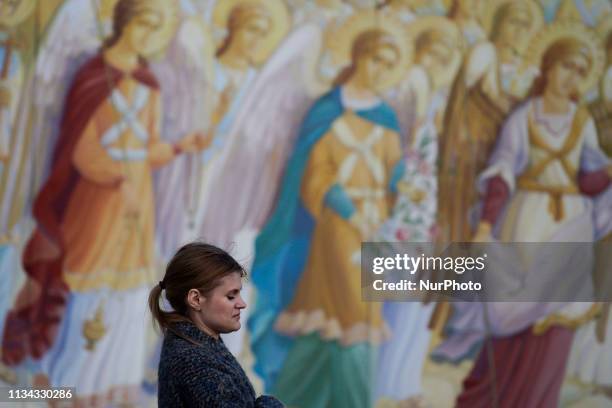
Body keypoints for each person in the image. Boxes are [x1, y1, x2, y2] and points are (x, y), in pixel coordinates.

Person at [149, 242, 284, 408]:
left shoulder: (199, 345)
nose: (242, 304)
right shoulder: (195, 364)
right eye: (231, 296)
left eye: (239, 294)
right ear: (196, 299)